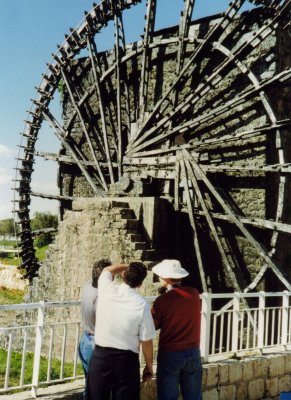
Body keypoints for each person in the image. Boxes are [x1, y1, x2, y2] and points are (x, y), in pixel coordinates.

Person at [87, 261, 156, 400]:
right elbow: (146, 341)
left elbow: (108, 270)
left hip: (101, 356)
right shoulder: (142, 304)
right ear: (140, 284)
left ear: (123, 275)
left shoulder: (106, 289)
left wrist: (128, 267)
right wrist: (149, 366)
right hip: (126, 361)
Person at [151, 259, 202, 400]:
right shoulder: (194, 294)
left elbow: (153, 325)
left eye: (160, 276)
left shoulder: (162, 300)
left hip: (170, 353)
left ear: (166, 279)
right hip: (193, 351)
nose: (159, 279)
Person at [78, 258, 111, 399]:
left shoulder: (87, 286)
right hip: (96, 343)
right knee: (99, 389)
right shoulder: (100, 297)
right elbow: (103, 321)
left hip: (85, 340)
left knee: (90, 386)